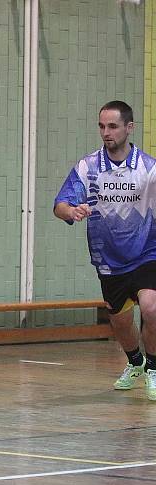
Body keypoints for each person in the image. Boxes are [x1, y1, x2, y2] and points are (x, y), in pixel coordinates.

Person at [54, 100, 156, 399]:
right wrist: (70, 212)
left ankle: (153, 368)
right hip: (109, 260)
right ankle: (135, 362)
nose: (106, 132)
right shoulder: (87, 167)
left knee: (152, 308)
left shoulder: (149, 170)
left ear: (129, 127)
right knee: (121, 322)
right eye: (101, 126)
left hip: (147, 252)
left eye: (112, 126)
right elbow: (60, 205)